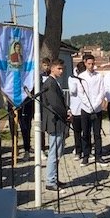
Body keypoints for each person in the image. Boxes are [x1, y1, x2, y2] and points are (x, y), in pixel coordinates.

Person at [41, 60, 69, 189]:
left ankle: (55, 178)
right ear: (52, 69)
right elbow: (55, 104)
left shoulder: (54, 82)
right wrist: (66, 114)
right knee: (54, 152)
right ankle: (50, 181)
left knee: (58, 152)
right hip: (55, 120)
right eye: (59, 68)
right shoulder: (50, 83)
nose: (61, 71)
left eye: (62, 69)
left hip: (59, 120)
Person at [76, 53, 107, 166]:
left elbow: (102, 91)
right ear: (85, 63)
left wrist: (95, 104)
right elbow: (80, 93)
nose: (91, 66)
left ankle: (98, 156)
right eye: (89, 64)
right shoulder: (82, 76)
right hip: (85, 109)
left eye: (93, 64)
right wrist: (89, 105)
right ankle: (86, 156)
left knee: (97, 134)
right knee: (86, 133)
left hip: (97, 109)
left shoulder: (99, 76)